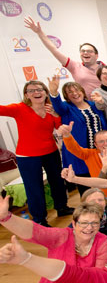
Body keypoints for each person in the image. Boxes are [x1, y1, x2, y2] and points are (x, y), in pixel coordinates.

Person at [0, 81, 72, 225]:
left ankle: (62, 207)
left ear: (45, 92)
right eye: (31, 90)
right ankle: (40, 219)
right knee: (34, 188)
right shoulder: (19, 108)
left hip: (50, 151)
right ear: (26, 94)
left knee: (57, 181)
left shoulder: (51, 109)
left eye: (40, 89)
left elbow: (59, 126)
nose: (36, 92)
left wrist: (63, 127)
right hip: (27, 156)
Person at [48, 76, 107, 194]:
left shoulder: (93, 104)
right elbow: (58, 105)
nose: (75, 93)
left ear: (82, 91)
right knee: (84, 183)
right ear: (66, 96)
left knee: (102, 181)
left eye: (77, 90)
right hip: (79, 152)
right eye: (70, 92)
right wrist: (54, 92)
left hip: (98, 151)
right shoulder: (67, 108)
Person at [24, 17, 103, 97]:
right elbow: (54, 50)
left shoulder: (106, 69)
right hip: (89, 106)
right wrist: (39, 32)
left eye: (89, 51)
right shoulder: (75, 66)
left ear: (96, 55)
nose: (85, 53)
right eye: (83, 51)